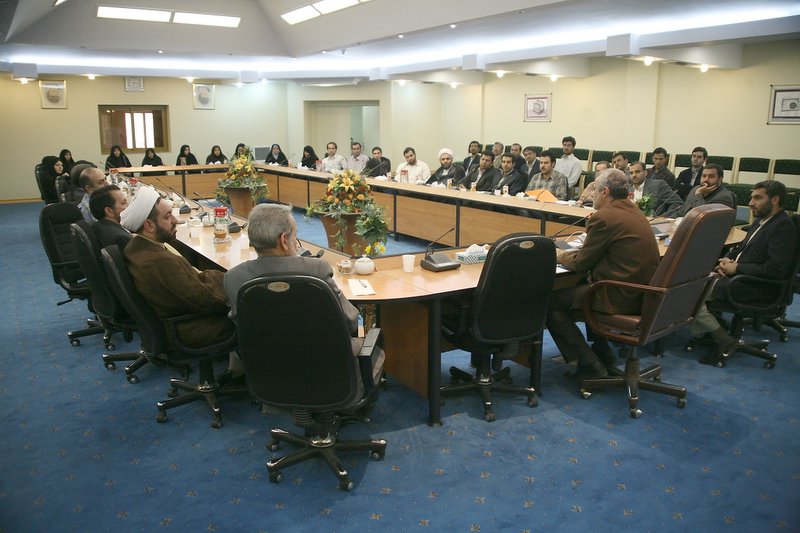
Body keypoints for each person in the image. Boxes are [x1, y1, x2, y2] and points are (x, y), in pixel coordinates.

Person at [546, 169, 660, 379]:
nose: (591, 195)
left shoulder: (605, 217)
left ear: (605, 192)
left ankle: (589, 364)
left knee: (550, 302)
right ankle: (603, 354)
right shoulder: (634, 211)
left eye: (594, 190)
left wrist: (559, 255)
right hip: (642, 293)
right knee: (581, 286)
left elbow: (581, 263)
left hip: (619, 295)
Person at [123, 187, 241, 357]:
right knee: (256, 308)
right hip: (189, 329)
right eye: (167, 216)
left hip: (178, 319)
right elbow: (207, 299)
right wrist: (232, 280)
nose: (176, 220)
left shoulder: (139, 247)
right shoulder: (159, 262)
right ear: (149, 225)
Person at [689, 180, 798, 364]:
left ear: (775, 200)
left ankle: (723, 339)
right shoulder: (761, 221)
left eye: (757, 198)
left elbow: (775, 269)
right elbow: (741, 249)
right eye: (751, 197)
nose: (750, 203)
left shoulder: (783, 227)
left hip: (756, 286)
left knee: (688, 295)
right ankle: (716, 326)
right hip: (740, 278)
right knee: (691, 284)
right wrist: (727, 260)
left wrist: (737, 268)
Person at [224, 203, 358, 329]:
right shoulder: (317, 270)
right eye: (294, 235)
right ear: (284, 240)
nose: (297, 243)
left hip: (260, 347)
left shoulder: (233, 277)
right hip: (318, 346)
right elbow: (350, 321)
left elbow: (240, 325)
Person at [89, 184, 131, 250]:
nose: (129, 205)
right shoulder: (121, 239)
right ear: (109, 211)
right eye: (123, 203)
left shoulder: (96, 226)